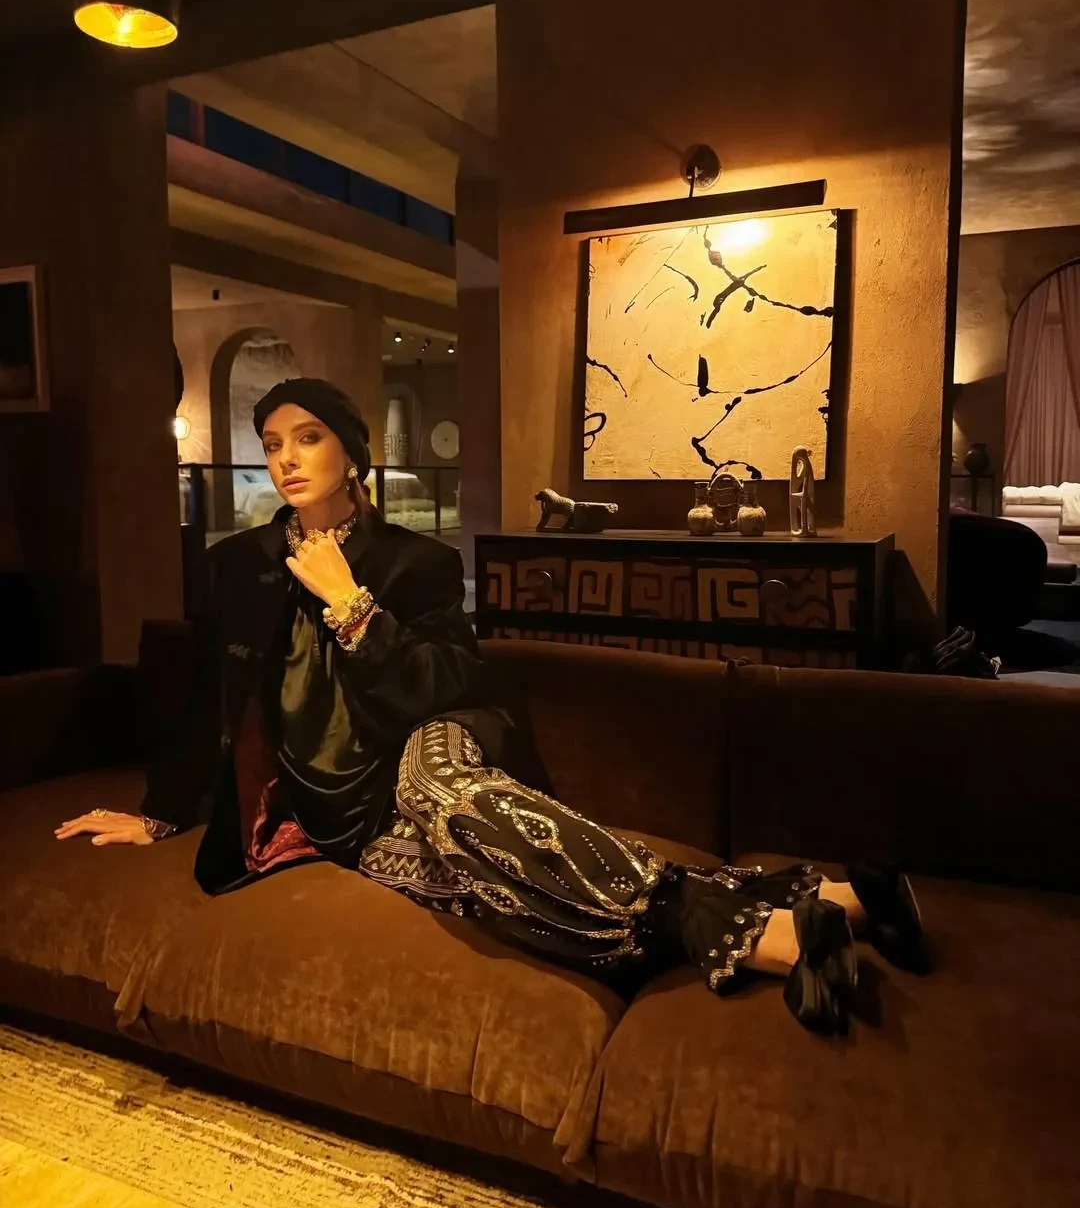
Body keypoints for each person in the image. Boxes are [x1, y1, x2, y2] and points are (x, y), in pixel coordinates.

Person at [56, 378, 926, 1035]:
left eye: (309, 438)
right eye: (273, 441)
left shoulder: (416, 562)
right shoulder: (237, 564)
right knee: (483, 877)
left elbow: (446, 683)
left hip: (432, 738)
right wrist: (162, 813)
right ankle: (824, 903)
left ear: (351, 455)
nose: (286, 458)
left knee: (439, 795)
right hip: (340, 808)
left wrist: (353, 604)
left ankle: (766, 940)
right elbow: (212, 697)